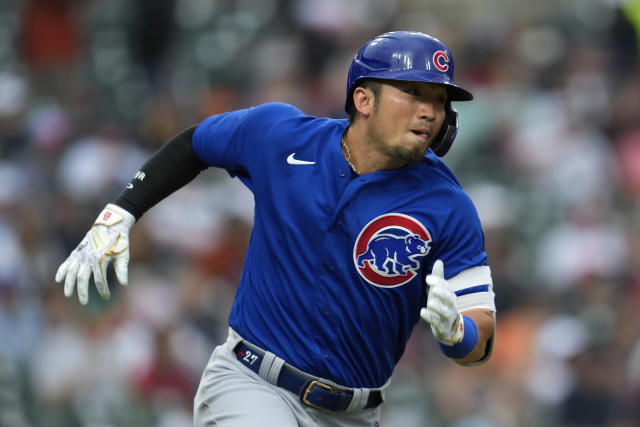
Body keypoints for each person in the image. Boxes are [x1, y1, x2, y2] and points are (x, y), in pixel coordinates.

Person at [55, 31, 496, 426]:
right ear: (364, 100)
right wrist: (123, 211)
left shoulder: (449, 206)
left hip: (355, 414)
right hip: (252, 383)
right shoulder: (282, 136)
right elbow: (196, 143)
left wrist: (458, 334)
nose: (429, 111)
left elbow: (481, 334)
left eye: (438, 100)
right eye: (412, 92)